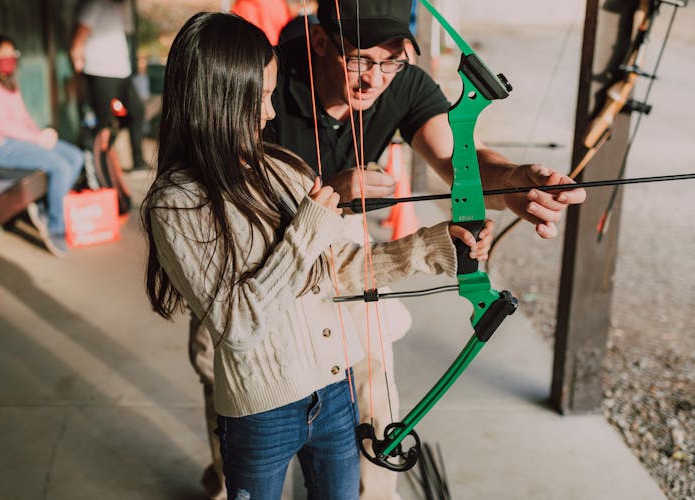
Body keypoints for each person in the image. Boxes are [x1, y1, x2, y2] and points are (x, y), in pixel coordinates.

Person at [191, 0, 589, 499]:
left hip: (341, 246)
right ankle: (230, 480)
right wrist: (330, 192)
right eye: (359, 60)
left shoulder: (402, 81)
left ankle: (371, 492)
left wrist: (515, 182)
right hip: (251, 245)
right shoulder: (266, 82)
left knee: (372, 380)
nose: (374, 80)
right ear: (319, 42)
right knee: (222, 363)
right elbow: (222, 198)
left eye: (392, 61)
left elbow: (455, 158)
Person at [142, 12, 495, 499]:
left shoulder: (283, 168)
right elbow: (236, 324)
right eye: (259, 99)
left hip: (335, 392)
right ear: (216, 100)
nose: (269, 115)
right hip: (260, 412)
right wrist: (309, 225)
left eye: (269, 97)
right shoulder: (177, 202)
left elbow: (334, 270)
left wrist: (431, 246)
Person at [0, 33, 83, 257]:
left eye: (13, 53)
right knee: (60, 166)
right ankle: (55, 227)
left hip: (22, 141)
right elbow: (1, 125)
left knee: (75, 157)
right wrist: (38, 140)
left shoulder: (9, 80)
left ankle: (44, 206)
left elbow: (23, 117)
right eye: (5, 54)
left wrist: (41, 134)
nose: (11, 58)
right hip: (1, 147)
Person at [70, 0, 148, 170]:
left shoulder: (115, 6)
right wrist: (77, 65)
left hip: (122, 72)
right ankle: (100, 167)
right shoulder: (93, 4)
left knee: (137, 112)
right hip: (100, 72)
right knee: (104, 123)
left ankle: (138, 161)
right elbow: (80, 36)